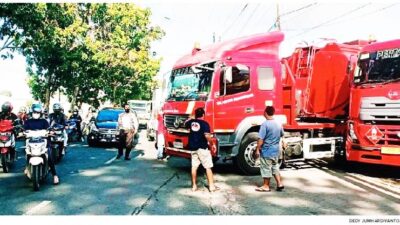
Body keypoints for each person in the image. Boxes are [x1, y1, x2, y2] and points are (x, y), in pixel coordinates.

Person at [185, 107, 218, 192]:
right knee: (208, 167)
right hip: (202, 148)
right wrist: (212, 144)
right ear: (203, 115)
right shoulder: (205, 124)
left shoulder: (191, 123)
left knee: (194, 167)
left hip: (193, 148)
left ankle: (194, 186)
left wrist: (192, 118)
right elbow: (207, 136)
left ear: (196, 115)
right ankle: (211, 186)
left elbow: (185, 123)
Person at [24, 104, 59, 184]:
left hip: (43, 142)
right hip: (31, 142)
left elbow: (49, 129)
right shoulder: (28, 122)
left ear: (41, 113)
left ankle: (55, 175)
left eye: (38, 112)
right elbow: (24, 129)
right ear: (31, 112)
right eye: (34, 112)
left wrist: (51, 132)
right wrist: (21, 132)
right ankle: (27, 166)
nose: (36, 114)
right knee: (27, 153)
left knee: (49, 156)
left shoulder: (44, 121)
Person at [255, 106, 285, 192]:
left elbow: (261, 139)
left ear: (265, 112)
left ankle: (266, 186)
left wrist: (257, 149)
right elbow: (282, 135)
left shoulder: (265, 124)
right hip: (276, 151)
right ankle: (279, 183)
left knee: (266, 168)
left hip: (267, 151)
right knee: (275, 167)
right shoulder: (278, 123)